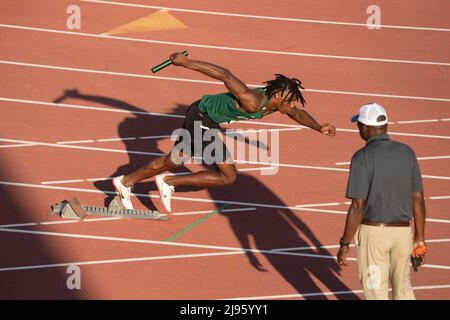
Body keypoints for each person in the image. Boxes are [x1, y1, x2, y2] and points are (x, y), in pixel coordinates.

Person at [113, 52, 336, 212]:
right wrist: (186, 63)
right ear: (278, 96)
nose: (291, 106)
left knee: (173, 160)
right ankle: (169, 182)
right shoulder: (253, 101)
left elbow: (297, 115)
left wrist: (318, 127)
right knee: (228, 176)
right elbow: (225, 74)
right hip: (202, 116)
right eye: (289, 102)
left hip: (205, 117)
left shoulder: (278, 106)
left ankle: (125, 183)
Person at [336, 103, 427, 300]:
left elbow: (357, 206)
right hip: (403, 234)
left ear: (364, 128)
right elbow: (418, 199)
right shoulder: (407, 152)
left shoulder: (362, 157)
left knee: (375, 291)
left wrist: (344, 244)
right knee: (403, 289)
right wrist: (419, 238)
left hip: (374, 233)